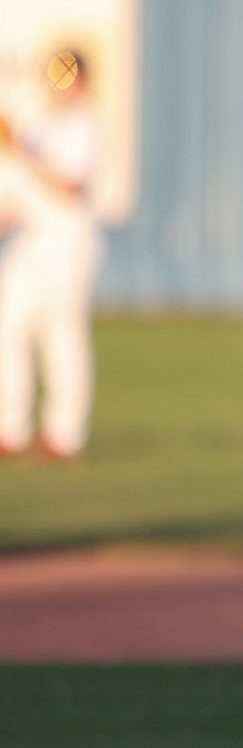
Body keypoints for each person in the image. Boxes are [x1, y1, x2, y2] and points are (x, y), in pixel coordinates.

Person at [0, 49, 105, 459]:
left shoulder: (84, 127)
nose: (58, 84)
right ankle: (11, 427)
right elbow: (17, 196)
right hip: (31, 240)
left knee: (62, 336)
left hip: (68, 240)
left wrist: (24, 151)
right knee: (8, 328)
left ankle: (64, 434)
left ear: (80, 81)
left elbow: (71, 186)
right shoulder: (41, 127)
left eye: (66, 76)